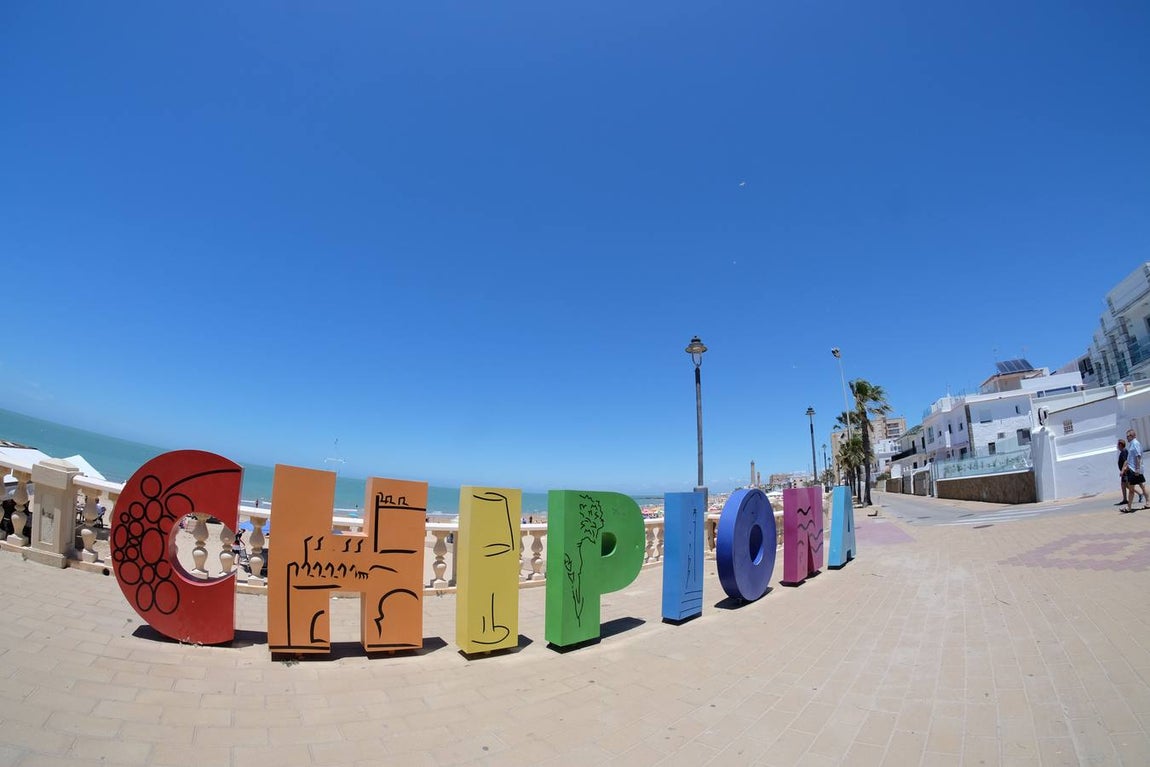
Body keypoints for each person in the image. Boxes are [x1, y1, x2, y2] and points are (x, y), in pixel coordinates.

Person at [1124, 429, 1149, 511]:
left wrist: (1137, 469)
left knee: (1131, 489)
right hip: (1134, 469)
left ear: (1133, 436)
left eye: (1128, 436)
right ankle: (1148, 503)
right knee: (1142, 486)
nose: (1127, 438)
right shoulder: (1132, 444)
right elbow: (1131, 458)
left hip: (1134, 471)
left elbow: (1138, 456)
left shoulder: (1135, 443)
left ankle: (1129, 507)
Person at [1118, 439, 1131, 507]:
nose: (1117, 446)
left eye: (1118, 445)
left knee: (1128, 485)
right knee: (1124, 485)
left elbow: (1126, 461)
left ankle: (1140, 494)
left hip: (1125, 472)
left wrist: (1123, 470)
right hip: (1124, 472)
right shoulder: (1123, 451)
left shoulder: (1124, 451)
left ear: (1120, 445)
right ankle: (1125, 499)